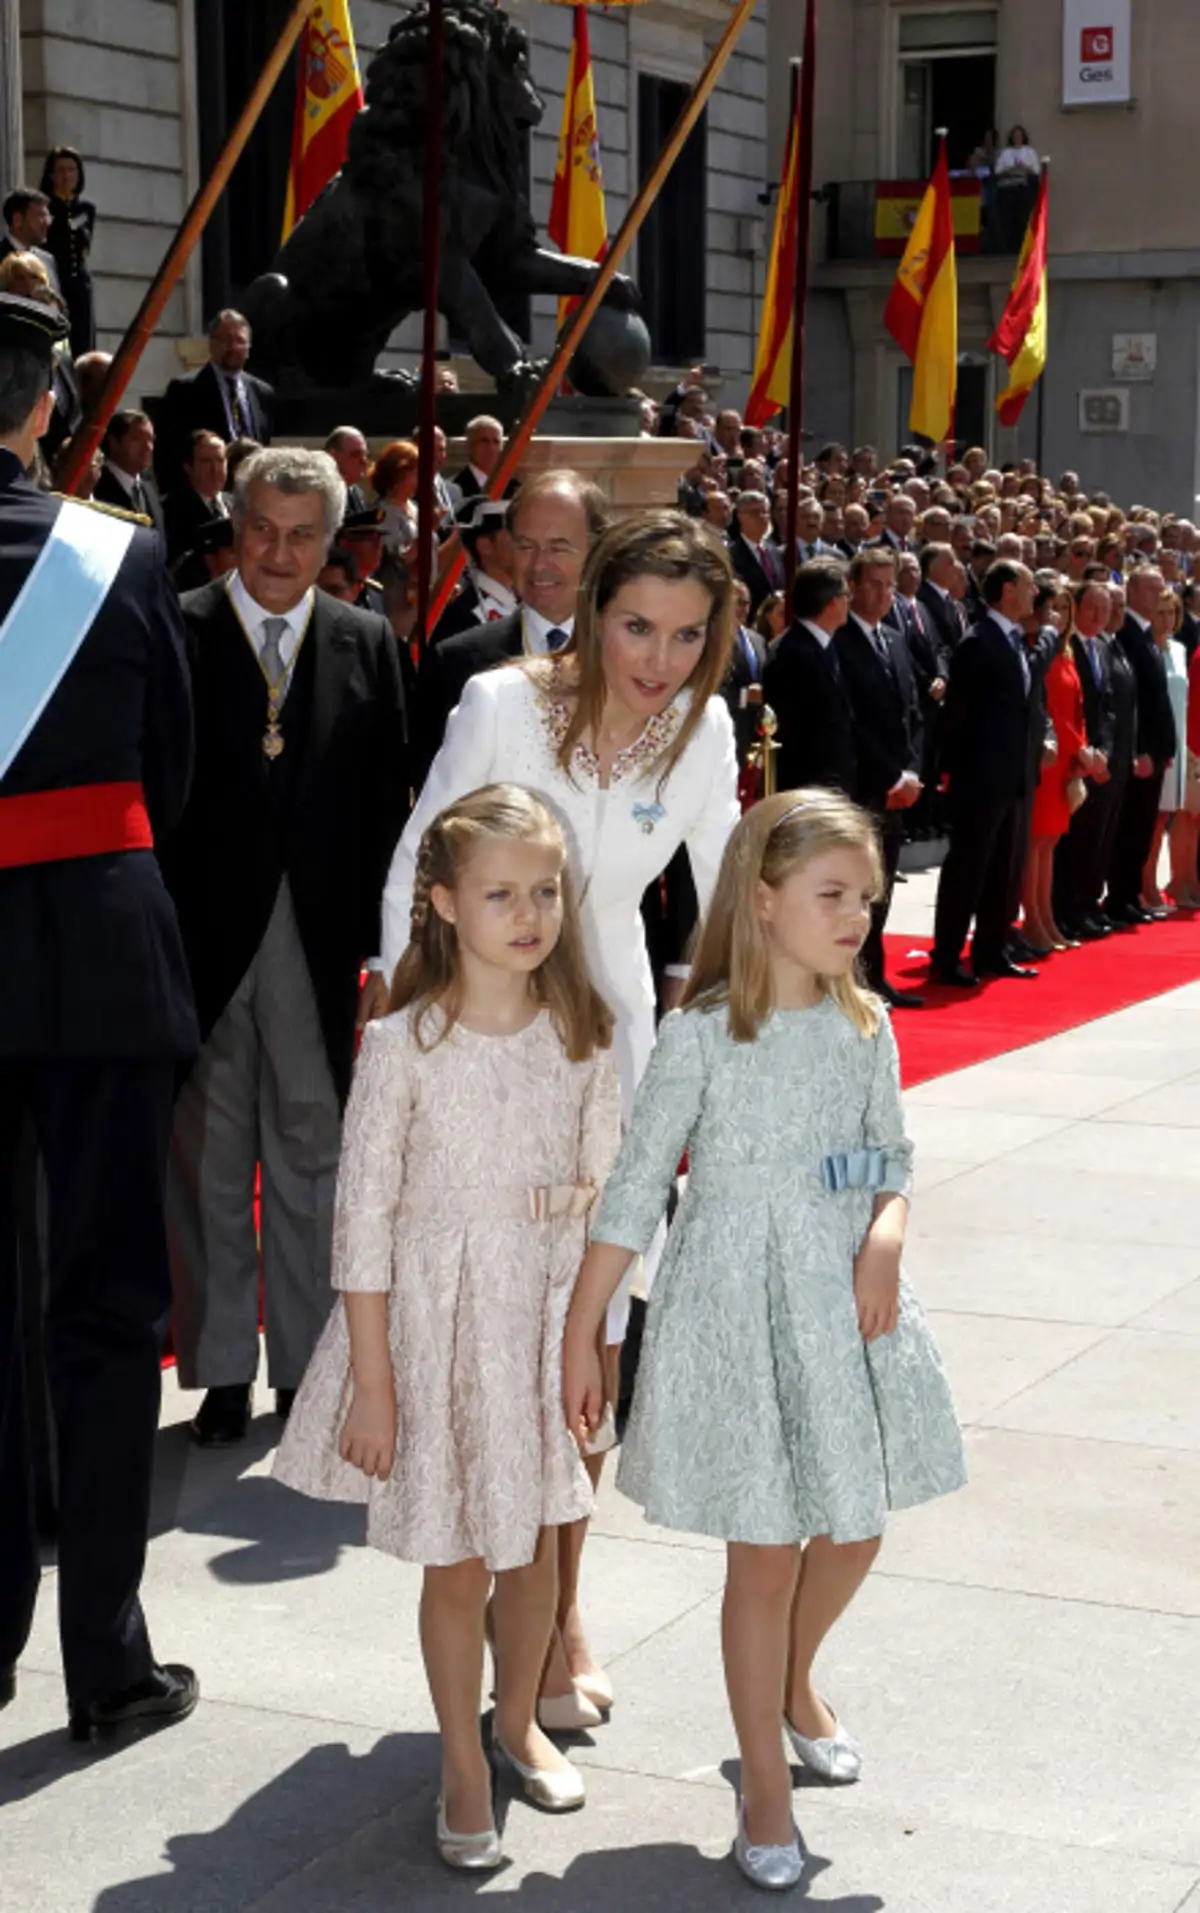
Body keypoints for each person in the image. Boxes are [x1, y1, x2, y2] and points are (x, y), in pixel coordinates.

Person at [562, 789, 965, 1889]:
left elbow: (892, 1156)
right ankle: (765, 1787)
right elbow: (637, 1184)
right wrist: (580, 1328)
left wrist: (883, 1236)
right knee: (765, 1550)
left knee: (853, 1526)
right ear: (766, 895)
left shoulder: (865, 1023)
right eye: (833, 895)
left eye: (868, 899)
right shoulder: (702, 1033)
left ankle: (793, 1681)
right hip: (739, 1303)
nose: (856, 919)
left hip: (843, 1302)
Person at [381, 510, 741, 1721]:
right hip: (479, 1051)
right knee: (493, 1341)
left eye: (688, 635)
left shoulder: (705, 730)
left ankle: (560, 1610)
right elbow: (410, 873)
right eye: (638, 624)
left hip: (615, 1057)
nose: (659, 657)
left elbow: (736, 899)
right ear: (591, 610)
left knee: (591, 1343)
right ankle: (478, 1591)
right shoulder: (499, 704)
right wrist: (413, 1049)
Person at [276, 786, 621, 1870]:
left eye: (547, 891)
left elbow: (604, 1199)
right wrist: (372, 1381)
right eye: (501, 892)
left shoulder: (585, 1033)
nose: (530, 913)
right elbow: (363, 1216)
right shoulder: (403, 1042)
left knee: (533, 1551)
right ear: (442, 903)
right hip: (432, 1321)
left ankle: (516, 1716)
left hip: (539, 1320)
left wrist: (586, 1341)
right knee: (460, 1553)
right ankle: (460, 1760)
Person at [0, 291, 199, 1741]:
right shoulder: (115, 553)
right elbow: (175, 772)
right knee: (113, 1307)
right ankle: (105, 1660)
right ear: (44, 412)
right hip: (103, 959)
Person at [158, 448, 411, 1449]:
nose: (278, 551)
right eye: (262, 528)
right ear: (234, 522)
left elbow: (388, 808)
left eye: (303, 533)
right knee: (211, 1153)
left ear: (331, 541)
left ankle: (307, 1361)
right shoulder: (177, 628)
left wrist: (384, 957)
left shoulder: (364, 640)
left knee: (314, 1149)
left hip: (316, 940)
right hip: (202, 941)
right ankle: (220, 1366)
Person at [414, 469, 607, 773]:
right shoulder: (457, 663)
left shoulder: (633, 655)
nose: (539, 564)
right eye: (526, 546)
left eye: (558, 547)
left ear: (596, 551)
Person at [932, 561, 1041, 985]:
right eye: (1030, 585)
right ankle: (946, 956)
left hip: (1013, 776)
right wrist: (952, 772)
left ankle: (991, 951)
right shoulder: (978, 642)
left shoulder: (1015, 640)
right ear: (1009, 590)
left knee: (1003, 868)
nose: (1035, 595)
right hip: (981, 778)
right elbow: (959, 715)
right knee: (969, 869)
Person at [834, 548, 925, 1007]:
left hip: (897, 786)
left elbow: (910, 713)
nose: (883, 594)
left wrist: (911, 770)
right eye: (873, 584)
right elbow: (854, 721)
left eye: (890, 585)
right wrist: (890, 776)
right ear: (852, 587)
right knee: (858, 888)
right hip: (864, 786)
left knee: (883, 885)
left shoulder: (895, 638)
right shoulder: (841, 641)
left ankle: (875, 976)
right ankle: (853, 980)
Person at [1022, 585, 1091, 952]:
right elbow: (1049, 711)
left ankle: (1045, 917)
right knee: (1036, 842)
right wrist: (1075, 746)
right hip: (1047, 757)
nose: (1059, 615)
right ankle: (1032, 919)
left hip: (1065, 759)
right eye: (1053, 607)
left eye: (1065, 607)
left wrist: (1081, 749)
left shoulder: (1066, 651)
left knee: (1049, 843)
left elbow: (1076, 709)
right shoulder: (1039, 650)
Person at [1107, 566, 1178, 923]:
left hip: (1156, 752)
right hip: (1141, 752)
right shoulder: (1129, 635)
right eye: (1151, 588)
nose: (1156, 595)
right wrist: (1142, 749)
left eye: (1160, 588)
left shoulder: (1148, 634)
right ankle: (1120, 897)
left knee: (1142, 829)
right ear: (1132, 590)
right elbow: (1133, 704)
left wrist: (1168, 748)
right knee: (1130, 829)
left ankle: (1130, 896)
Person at [1055, 581, 1119, 940]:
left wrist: (1103, 751)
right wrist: (1083, 752)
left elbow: (1108, 708)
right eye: (1093, 608)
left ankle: (1083, 907)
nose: (1099, 616)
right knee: (1069, 844)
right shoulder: (1067, 646)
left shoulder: (1103, 647)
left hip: (1096, 758)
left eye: (1106, 610)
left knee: (1092, 841)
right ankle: (1063, 910)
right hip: (1071, 760)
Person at [762, 557, 857, 796]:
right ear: (831, 603)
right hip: (809, 788)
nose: (850, 600)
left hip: (832, 784)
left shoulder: (826, 646)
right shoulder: (793, 653)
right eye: (846, 594)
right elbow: (798, 733)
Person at [156, 309, 274, 493]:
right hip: (205, 500)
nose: (233, 347)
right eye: (226, 340)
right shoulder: (184, 389)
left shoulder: (262, 393)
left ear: (249, 347)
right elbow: (167, 454)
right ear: (211, 344)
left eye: (240, 341)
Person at [1143, 587, 1190, 910]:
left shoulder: (1178, 649)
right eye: (1159, 613)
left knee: (1165, 817)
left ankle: (1153, 884)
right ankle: (1146, 886)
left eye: (1171, 613)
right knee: (1152, 819)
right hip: (1157, 741)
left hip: (1179, 738)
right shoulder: (1147, 649)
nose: (1166, 619)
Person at [433, 494, 516, 642]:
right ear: (485, 546)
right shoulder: (463, 615)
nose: (526, 543)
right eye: (515, 535)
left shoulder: (527, 602)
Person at [38, 147, 95, 357]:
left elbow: (86, 246)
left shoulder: (87, 208)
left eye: (72, 170)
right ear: (51, 174)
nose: (66, 176)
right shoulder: (44, 207)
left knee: (83, 343)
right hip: (54, 281)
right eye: (61, 170)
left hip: (79, 283)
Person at [95, 409, 165, 542]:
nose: (148, 447)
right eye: (138, 439)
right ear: (114, 442)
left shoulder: (150, 490)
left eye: (151, 440)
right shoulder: (96, 485)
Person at [163, 429, 229, 565]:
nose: (215, 469)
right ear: (188, 467)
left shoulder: (239, 504)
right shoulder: (170, 510)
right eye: (206, 461)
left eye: (220, 460)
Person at [728, 491, 785, 614]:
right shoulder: (731, 555)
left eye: (765, 512)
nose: (762, 517)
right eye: (755, 512)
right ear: (740, 516)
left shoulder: (775, 551)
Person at [0, 190, 60, 294]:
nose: (47, 223)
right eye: (41, 216)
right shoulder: (1, 258)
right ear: (17, 220)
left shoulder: (48, 260)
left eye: (48, 217)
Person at [368, 438, 420, 556]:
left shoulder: (413, 507)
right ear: (398, 475)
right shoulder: (385, 513)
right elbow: (397, 559)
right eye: (416, 473)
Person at [995, 126, 1040, 252]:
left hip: (1024, 189)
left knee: (1023, 218)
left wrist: (1024, 167)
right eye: (1015, 136)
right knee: (1009, 219)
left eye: (1019, 135)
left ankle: (1024, 246)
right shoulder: (1006, 153)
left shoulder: (1029, 151)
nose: (1017, 138)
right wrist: (1011, 169)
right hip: (1009, 189)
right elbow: (998, 170)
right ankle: (1010, 247)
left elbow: (1036, 170)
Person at [323, 426, 370, 515]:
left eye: (365, 455)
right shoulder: (321, 496)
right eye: (356, 455)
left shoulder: (356, 492)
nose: (364, 461)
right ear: (333, 456)